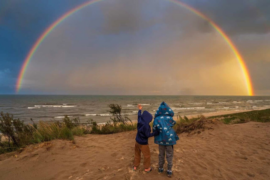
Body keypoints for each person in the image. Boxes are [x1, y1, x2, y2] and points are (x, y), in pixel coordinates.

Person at [153, 102, 179, 177]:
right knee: (169, 155)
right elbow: (173, 123)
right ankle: (169, 170)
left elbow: (154, 128)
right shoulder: (169, 118)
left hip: (161, 139)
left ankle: (160, 168)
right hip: (170, 139)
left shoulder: (157, 119)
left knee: (161, 154)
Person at [133, 104, 159, 172]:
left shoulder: (139, 121)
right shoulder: (146, 126)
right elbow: (147, 135)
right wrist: (155, 133)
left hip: (137, 141)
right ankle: (147, 168)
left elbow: (139, 115)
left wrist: (140, 109)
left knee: (137, 154)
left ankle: (135, 166)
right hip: (143, 143)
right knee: (147, 155)